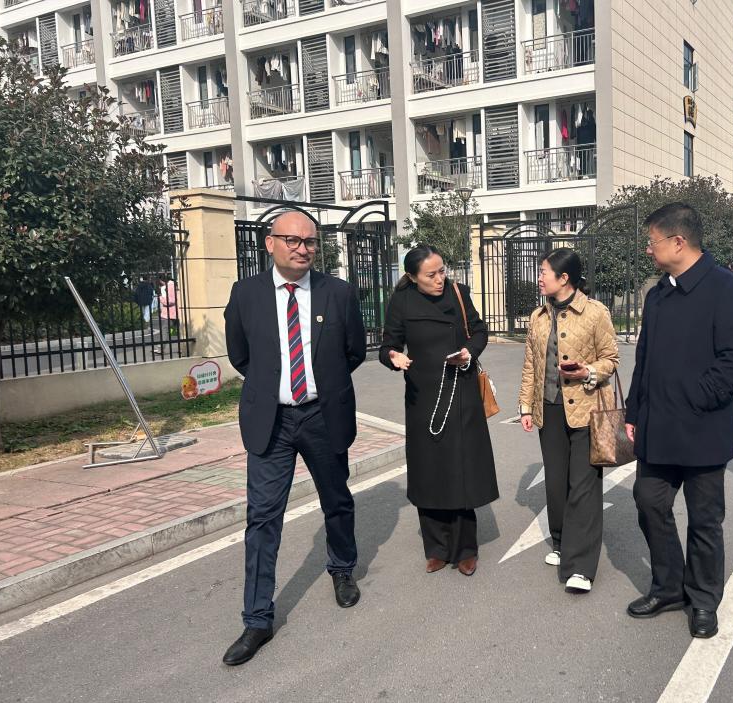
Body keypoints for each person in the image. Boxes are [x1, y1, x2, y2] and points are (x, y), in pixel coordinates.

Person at [222, 211, 366, 666]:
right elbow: (240, 355)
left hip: (323, 416)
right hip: (273, 421)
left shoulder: (338, 293)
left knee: (336, 501)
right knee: (262, 518)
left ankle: (342, 568)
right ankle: (257, 618)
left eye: (310, 241)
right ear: (270, 243)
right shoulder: (245, 294)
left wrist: (319, 384)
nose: (303, 248)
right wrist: (277, 387)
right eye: (292, 240)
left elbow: (353, 352)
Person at [623, 203, 733, 639]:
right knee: (649, 501)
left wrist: (697, 398)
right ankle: (668, 587)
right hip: (657, 427)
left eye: (653, 241)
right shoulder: (658, 294)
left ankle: (703, 599)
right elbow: (644, 359)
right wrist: (633, 412)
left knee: (705, 520)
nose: (648, 249)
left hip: (703, 428)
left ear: (678, 242)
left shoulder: (726, 290)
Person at [379, 245, 498, 577]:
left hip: (460, 392)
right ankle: (436, 548)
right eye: (431, 274)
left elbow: (479, 331)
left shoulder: (458, 293)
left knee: (461, 470)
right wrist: (393, 357)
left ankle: (465, 549)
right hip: (424, 397)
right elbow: (388, 344)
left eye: (442, 270)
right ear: (412, 276)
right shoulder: (402, 300)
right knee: (429, 472)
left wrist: (468, 352)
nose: (439, 279)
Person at [518, 249, 620, 593]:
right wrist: (525, 406)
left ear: (564, 279)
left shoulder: (595, 313)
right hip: (549, 409)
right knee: (556, 482)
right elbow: (531, 365)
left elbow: (611, 359)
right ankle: (561, 542)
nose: (539, 277)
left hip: (588, 410)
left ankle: (581, 567)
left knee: (584, 485)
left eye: (544, 272)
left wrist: (587, 371)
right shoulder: (538, 317)